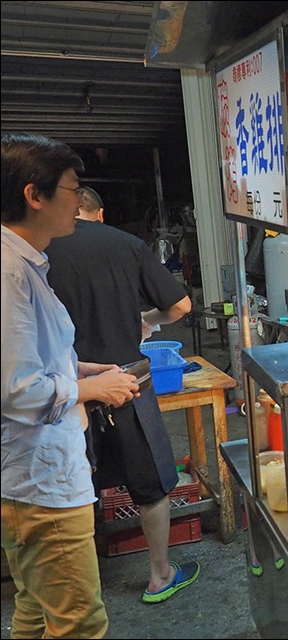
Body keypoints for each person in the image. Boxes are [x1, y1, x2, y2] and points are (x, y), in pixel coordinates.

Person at [2, 132, 141, 638]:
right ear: (32, 196)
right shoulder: (9, 273)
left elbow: (35, 360)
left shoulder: (26, 263)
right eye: (69, 189)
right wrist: (95, 390)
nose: (77, 201)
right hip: (40, 482)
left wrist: (85, 371)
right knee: (79, 622)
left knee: (35, 611)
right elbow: (17, 389)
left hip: (32, 477)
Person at [44, 185, 198, 605]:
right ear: (99, 212)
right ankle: (159, 575)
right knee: (152, 482)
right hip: (126, 383)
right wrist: (146, 321)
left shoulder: (34, 249)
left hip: (60, 389)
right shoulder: (126, 245)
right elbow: (182, 306)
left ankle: (81, 584)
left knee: (74, 486)